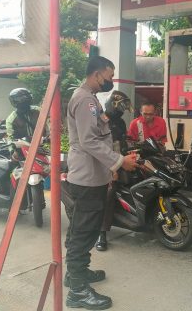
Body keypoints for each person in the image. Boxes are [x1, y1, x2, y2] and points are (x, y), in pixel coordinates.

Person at [63, 56, 138, 310]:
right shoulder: (85, 99)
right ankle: (78, 292)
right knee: (84, 232)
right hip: (87, 177)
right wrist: (119, 162)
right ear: (97, 74)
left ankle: (75, 274)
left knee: (81, 228)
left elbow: (95, 129)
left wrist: (108, 116)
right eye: (109, 75)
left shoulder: (89, 98)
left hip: (89, 175)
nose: (111, 80)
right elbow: (89, 140)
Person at [96, 90, 134, 252]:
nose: (123, 110)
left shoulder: (121, 123)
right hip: (104, 164)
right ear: (113, 104)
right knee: (109, 192)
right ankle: (102, 232)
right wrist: (112, 168)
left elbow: (122, 144)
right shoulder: (101, 121)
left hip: (120, 160)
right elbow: (100, 149)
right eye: (121, 106)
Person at [5, 88, 47, 159]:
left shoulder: (38, 111)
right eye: (21, 99)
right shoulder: (11, 119)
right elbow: (10, 138)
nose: (24, 100)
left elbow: (49, 127)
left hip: (43, 147)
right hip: (23, 150)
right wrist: (12, 151)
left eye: (26, 98)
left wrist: (49, 138)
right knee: (15, 162)